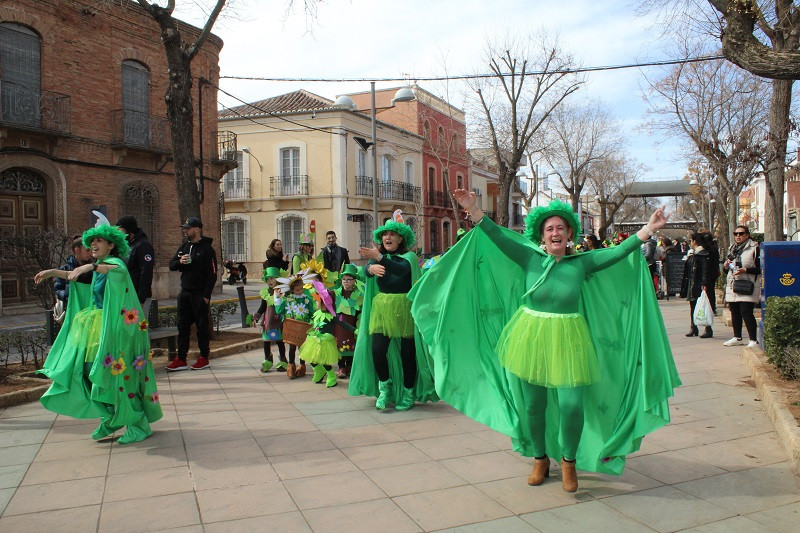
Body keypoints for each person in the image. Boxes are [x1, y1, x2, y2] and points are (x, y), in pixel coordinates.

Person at [410, 193, 679, 493]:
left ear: (569, 235)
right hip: (530, 337)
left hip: (569, 338)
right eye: (550, 228)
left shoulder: (582, 263)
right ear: (541, 234)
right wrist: (473, 209)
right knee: (534, 406)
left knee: (571, 405)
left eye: (561, 228)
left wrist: (648, 230)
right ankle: (540, 459)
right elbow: (495, 234)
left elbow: (618, 253)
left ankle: (568, 462)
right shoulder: (529, 258)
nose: (555, 233)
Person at [35, 223, 162, 443]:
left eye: (99, 241)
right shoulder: (100, 266)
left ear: (111, 245)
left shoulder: (115, 264)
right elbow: (77, 276)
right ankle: (113, 416)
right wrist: (53, 273)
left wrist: (89, 267)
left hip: (119, 330)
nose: (94, 244)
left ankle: (136, 423)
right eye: (92, 241)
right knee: (88, 372)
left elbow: (113, 270)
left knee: (119, 376)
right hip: (99, 329)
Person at [348, 211, 438, 412]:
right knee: (377, 350)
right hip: (382, 308)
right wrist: (368, 270)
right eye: (385, 234)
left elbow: (402, 270)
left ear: (401, 239)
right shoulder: (379, 258)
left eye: (392, 234)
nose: (387, 237)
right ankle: (384, 387)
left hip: (404, 309)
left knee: (408, 354)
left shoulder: (409, 257)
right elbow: (365, 272)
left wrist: (378, 258)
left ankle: (408, 393)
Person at [166, 217, 218, 371]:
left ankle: (204, 357)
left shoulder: (207, 249)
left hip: (199, 293)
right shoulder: (184, 246)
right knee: (182, 326)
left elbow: (212, 274)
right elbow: (171, 265)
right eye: (184, 228)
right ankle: (181, 358)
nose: (185, 230)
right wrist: (180, 262)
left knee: (202, 327)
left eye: (188, 228)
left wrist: (206, 295)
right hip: (185, 293)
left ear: (196, 229)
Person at [722, 226, 761, 348]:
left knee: (746, 311)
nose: (738, 236)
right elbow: (725, 271)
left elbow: (760, 269)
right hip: (733, 284)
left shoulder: (755, 248)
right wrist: (726, 266)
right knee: (735, 312)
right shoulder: (732, 248)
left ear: (748, 235)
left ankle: (753, 339)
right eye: (736, 233)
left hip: (747, 284)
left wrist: (745, 270)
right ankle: (737, 337)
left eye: (741, 233)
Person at [274, 272, 316, 378]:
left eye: (301, 289)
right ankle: (291, 367)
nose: (300, 291)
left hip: (304, 327)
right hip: (292, 328)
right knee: (292, 346)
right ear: (292, 290)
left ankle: (302, 366)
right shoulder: (288, 300)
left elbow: (312, 312)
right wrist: (277, 298)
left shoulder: (307, 299)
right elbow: (279, 311)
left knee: (303, 347)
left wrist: (314, 321)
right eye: (297, 290)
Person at [115, 215, 155, 320]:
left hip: (137, 296)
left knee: (139, 328)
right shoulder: (126, 246)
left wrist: (141, 298)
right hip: (127, 294)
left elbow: (146, 272)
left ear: (129, 230)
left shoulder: (143, 245)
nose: (119, 234)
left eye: (120, 230)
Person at [252, 267, 288, 372]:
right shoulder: (266, 293)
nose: (269, 281)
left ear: (278, 279)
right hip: (268, 321)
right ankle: (267, 360)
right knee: (266, 342)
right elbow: (262, 307)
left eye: (271, 278)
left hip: (279, 321)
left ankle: (283, 360)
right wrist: (256, 317)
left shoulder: (283, 291)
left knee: (280, 342)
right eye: (267, 279)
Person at [679, 232, 714, 338]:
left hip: (698, 282)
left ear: (695, 241)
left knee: (702, 305)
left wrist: (704, 282)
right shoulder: (694, 253)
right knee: (693, 304)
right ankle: (694, 327)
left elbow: (705, 269)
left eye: (691, 240)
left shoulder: (703, 253)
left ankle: (707, 328)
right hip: (692, 281)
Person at [334, 264, 363, 378]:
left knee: (351, 344)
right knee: (339, 344)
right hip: (339, 325)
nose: (346, 281)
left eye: (349, 279)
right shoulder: (336, 293)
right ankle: (341, 367)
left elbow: (361, 311)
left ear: (354, 281)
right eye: (344, 279)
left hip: (352, 324)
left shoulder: (360, 295)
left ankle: (350, 366)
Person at [53, 235, 93, 313]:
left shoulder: (94, 267)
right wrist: (67, 295)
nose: (90, 253)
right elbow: (58, 289)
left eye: (91, 250)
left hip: (89, 308)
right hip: (72, 310)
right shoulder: (64, 269)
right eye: (87, 250)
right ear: (77, 250)